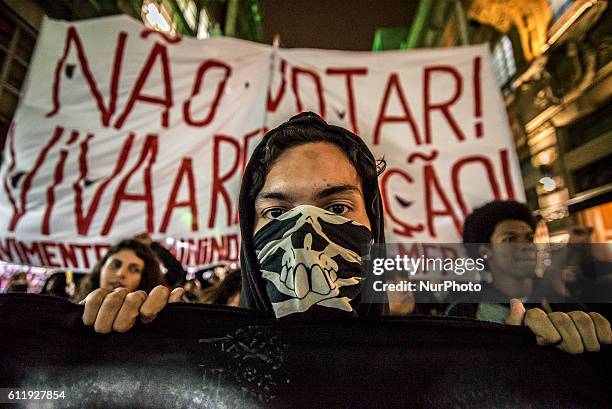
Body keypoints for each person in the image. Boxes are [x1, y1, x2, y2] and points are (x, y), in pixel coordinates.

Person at [81, 113, 610, 354]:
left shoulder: (439, 349)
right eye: (277, 210)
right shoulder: (191, 345)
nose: (306, 229)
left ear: (372, 224)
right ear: (249, 228)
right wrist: (115, 348)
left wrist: (561, 359)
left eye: (335, 205)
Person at [446, 200, 611, 353]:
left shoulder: (559, 298)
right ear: (485, 251)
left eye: (529, 238)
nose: (526, 246)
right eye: (510, 239)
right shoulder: (464, 312)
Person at [78, 239, 183, 333]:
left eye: (134, 269)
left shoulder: (151, 324)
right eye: (115, 265)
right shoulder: (69, 307)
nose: (120, 273)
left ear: (144, 279)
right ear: (100, 269)